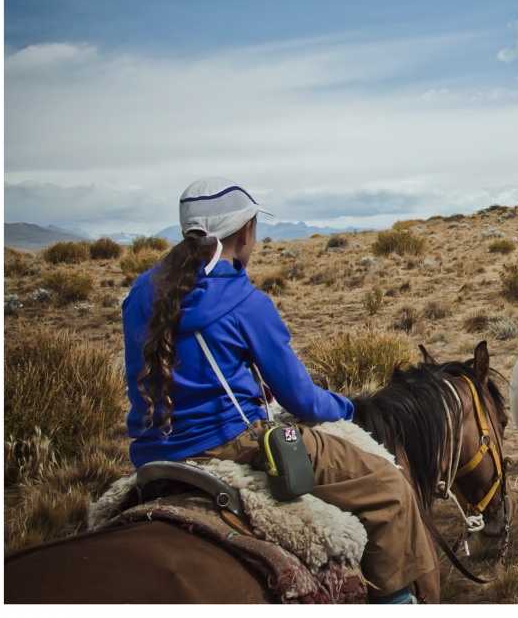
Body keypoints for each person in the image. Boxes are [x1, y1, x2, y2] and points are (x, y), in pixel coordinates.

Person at [122, 177, 438, 603]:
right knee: (389, 488)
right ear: (245, 231)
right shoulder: (246, 302)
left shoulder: (141, 290)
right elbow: (302, 400)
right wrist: (347, 407)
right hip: (229, 444)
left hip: (151, 453)